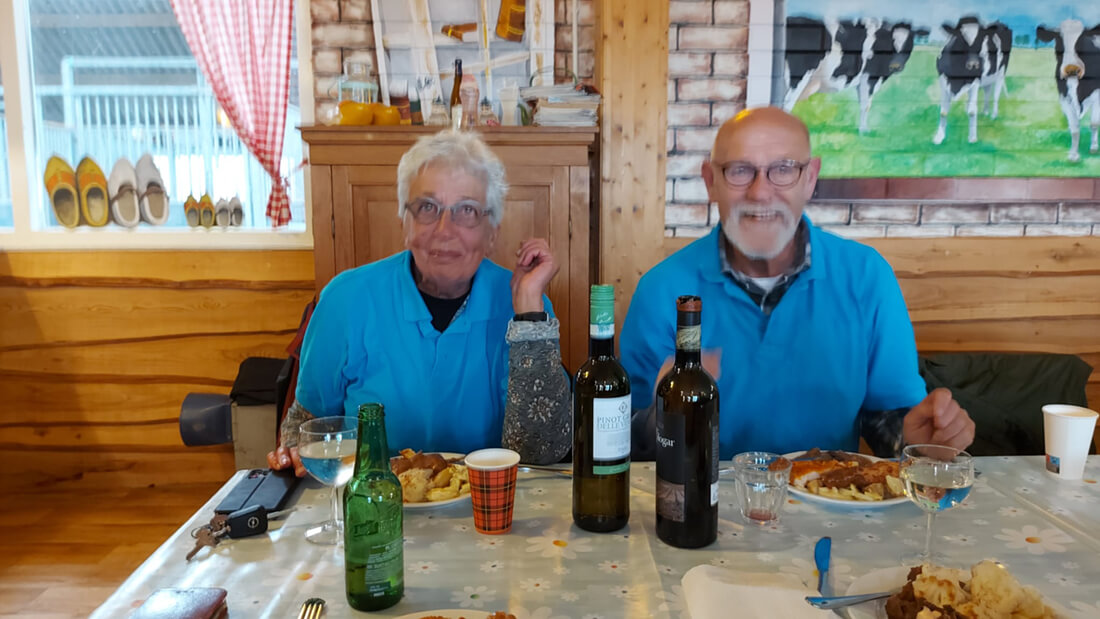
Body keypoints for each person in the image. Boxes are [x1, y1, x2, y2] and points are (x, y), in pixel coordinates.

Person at [621, 107, 975, 460]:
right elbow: (628, 442)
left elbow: (889, 421)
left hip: (829, 491)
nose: (761, 193)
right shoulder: (660, 290)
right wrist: (661, 417)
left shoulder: (867, 276)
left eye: (783, 169)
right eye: (740, 171)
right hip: (703, 494)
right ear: (710, 181)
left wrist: (915, 440)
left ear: (810, 178)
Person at [268, 130, 571, 474]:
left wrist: (530, 316)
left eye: (467, 210)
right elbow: (305, 424)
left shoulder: (524, 304)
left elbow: (542, 452)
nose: (445, 229)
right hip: (375, 499)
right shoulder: (344, 300)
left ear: (492, 232)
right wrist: (294, 451)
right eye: (428, 207)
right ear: (405, 223)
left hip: (490, 502)